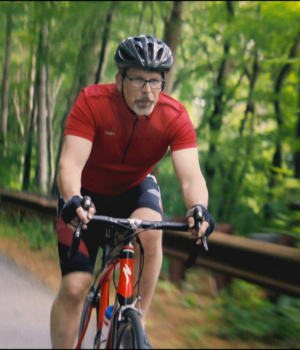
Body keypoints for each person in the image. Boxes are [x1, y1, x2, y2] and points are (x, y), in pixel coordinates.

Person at [50, 34, 215, 349]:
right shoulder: (92, 102)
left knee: (151, 230)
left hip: (134, 188)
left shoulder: (174, 116)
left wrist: (199, 209)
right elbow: (69, 165)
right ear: (119, 79)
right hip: (86, 194)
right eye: (138, 80)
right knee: (75, 287)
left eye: (155, 81)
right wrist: (72, 199)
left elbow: (192, 178)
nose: (148, 91)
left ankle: (135, 322)